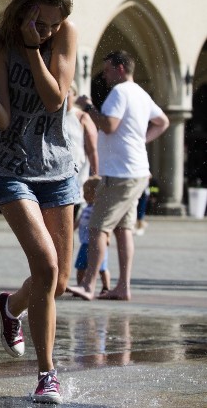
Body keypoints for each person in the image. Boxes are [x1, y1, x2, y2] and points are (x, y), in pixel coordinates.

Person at [0, 0, 79, 404]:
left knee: (61, 281)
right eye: (43, 22)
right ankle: (47, 374)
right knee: (47, 266)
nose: (50, 30)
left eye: (54, 24)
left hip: (58, 167)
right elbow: (3, 120)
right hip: (11, 166)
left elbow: (55, 99)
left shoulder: (64, 33)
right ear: (25, 11)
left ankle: (10, 307)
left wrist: (37, 49)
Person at [67, 50, 169, 302]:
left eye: (108, 68)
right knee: (124, 230)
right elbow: (163, 122)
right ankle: (123, 287)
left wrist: (87, 106)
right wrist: (140, 141)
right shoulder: (141, 94)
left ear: (121, 68)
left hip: (119, 174)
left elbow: (109, 125)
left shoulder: (120, 92)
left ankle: (89, 285)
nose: (104, 74)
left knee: (97, 228)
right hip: (136, 172)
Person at [65, 84, 99, 218]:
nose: (65, 95)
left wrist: (95, 175)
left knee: (73, 214)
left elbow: (92, 150)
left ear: (74, 94)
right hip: (55, 174)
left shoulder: (81, 117)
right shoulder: (51, 115)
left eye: (68, 91)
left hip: (77, 175)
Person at [72, 176, 111, 293]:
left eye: (87, 192)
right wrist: (72, 228)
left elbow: (107, 225)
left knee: (102, 267)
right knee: (80, 266)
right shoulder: (86, 208)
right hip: (85, 243)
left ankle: (106, 287)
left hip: (99, 245)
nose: (84, 195)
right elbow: (79, 221)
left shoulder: (101, 209)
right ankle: (80, 285)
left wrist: (107, 237)